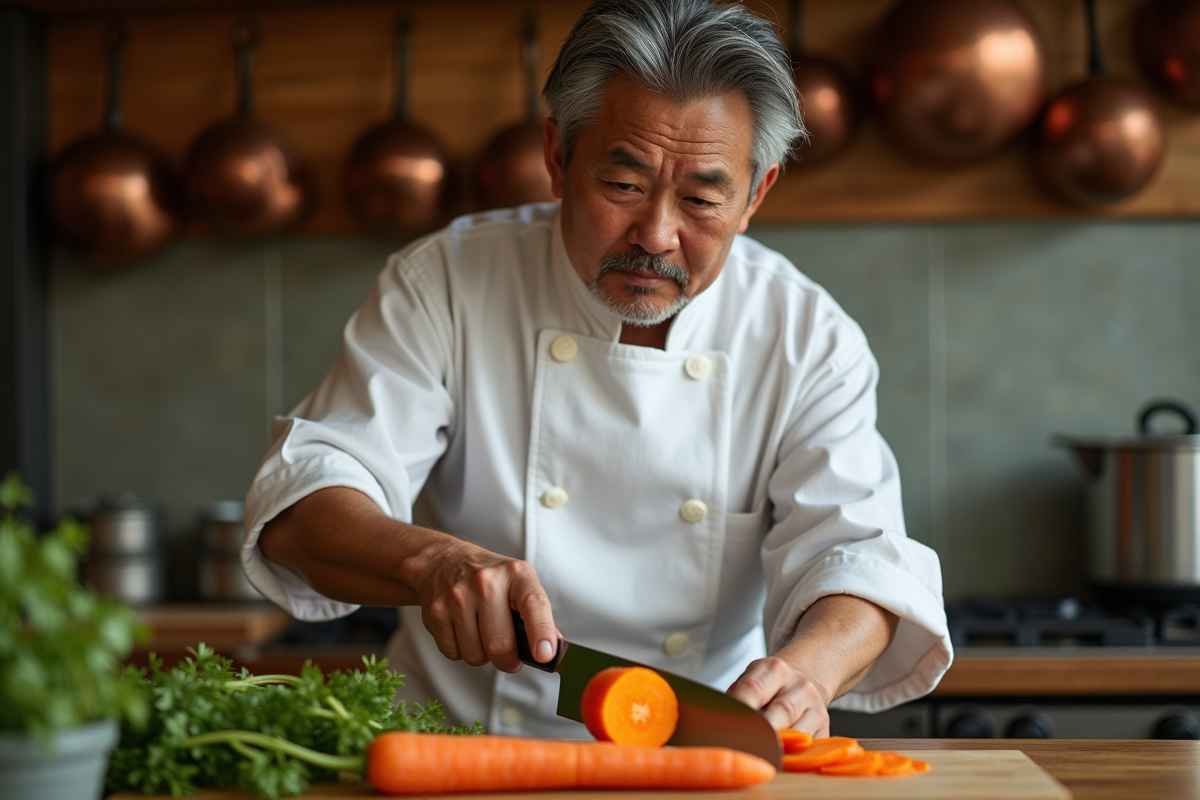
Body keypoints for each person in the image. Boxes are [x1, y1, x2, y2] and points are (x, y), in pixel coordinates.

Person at [244, 0, 952, 739]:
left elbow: (860, 563)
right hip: (456, 750)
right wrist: (433, 563)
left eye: (703, 198)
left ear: (756, 196)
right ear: (558, 157)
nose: (655, 236)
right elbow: (306, 504)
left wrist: (803, 673)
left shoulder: (807, 338)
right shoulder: (447, 284)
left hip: (691, 755)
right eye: (622, 186)